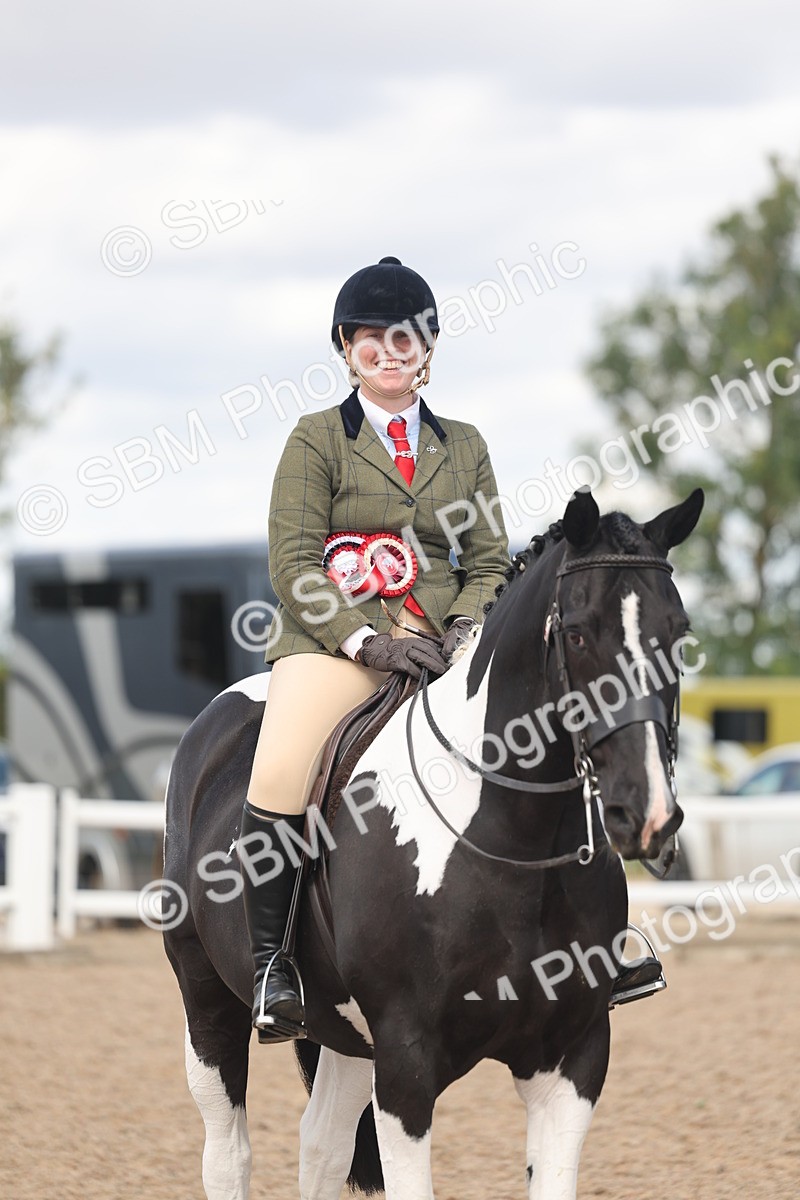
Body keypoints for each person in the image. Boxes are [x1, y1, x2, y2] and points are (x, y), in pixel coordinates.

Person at [240, 256, 511, 1042]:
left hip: (440, 641)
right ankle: (270, 967)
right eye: (373, 341)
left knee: (547, 729)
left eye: (407, 338)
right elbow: (293, 562)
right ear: (346, 348)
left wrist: (460, 632)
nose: (391, 353)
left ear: (429, 348)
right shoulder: (317, 438)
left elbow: (489, 560)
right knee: (283, 764)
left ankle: (585, 937)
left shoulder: (464, 445)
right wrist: (363, 639)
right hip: (334, 639)